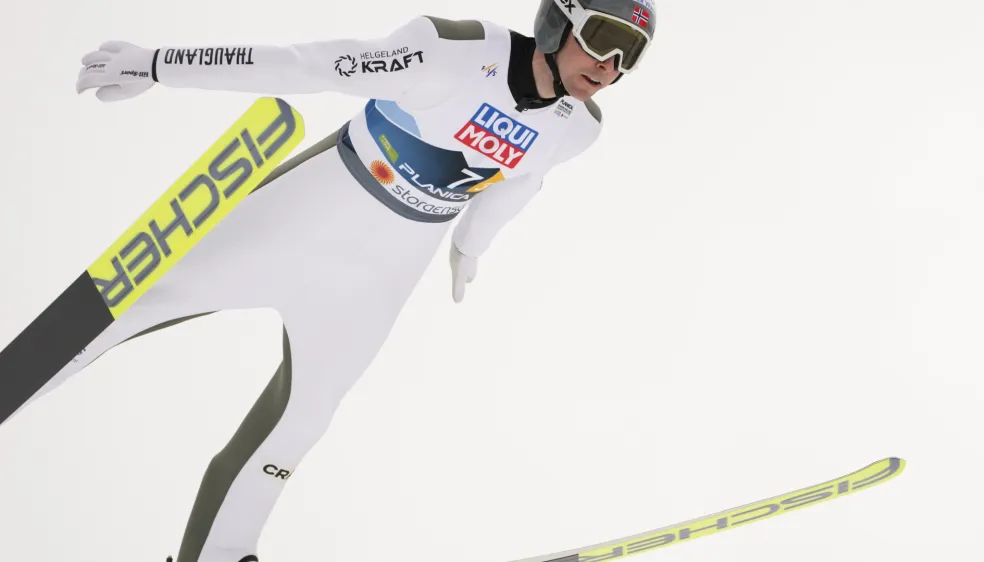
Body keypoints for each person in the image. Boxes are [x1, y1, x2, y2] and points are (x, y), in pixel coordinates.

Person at [31, 1, 657, 561]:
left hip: (381, 275)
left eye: (629, 55)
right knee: (132, 307)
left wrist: (470, 246)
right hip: (308, 212)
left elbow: (520, 183)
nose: (609, 65)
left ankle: (220, 554)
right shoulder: (453, 50)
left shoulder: (578, 127)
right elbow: (312, 66)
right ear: (560, 19)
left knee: (303, 419)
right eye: (603, 37)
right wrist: (160, 64)